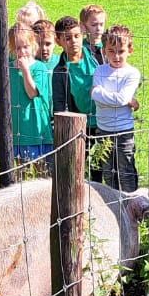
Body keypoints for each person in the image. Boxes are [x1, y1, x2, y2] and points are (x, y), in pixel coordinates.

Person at [91, 23, 140, 193]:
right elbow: (98, 98)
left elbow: (121, 98)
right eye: (111, 51)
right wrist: (122, 99)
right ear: (104, 50)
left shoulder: (132, 73)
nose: (116, 56)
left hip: (123, 129)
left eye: (121, 51)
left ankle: (130, 206)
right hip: (103, 129)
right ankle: (112, 205)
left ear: (129, 50)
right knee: (108, 172)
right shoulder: (99, 70)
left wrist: (101, 93)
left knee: (125, 171)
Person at [51, 16, 101, 179]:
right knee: (84, 168)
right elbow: (59, 104)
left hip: (105, 121)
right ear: (58, 41)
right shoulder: (60, 71)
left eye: (76, 36)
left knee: (107, 166)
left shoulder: (97, 56)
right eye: (67, 38)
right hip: (81, 127)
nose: (73, 41)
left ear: (82, 33)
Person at [8, 23, 52, 167]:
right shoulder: (8, 68)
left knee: (41, 170)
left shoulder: (39, 68)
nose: (21, 52)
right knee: (21, 170)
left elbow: (32, 93)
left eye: (25, 47)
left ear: (33, 45)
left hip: (35, 128)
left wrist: (25, 71)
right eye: (17, 48)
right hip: (17, 128)